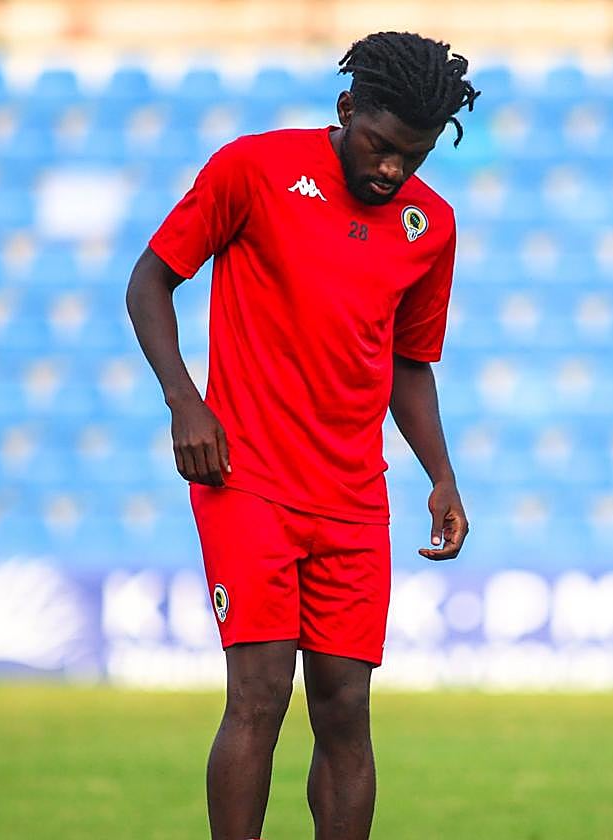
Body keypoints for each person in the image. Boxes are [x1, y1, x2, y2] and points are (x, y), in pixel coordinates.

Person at [125, 31, 477, 840]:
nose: (393, 169)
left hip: (354, 496)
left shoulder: (431, 226)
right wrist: (185, 401)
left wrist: (441, 474)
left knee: (346, 709)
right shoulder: (253, 168)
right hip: (246, 479)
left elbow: (409, 362)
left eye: (414, 156)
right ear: (347, 108)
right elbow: (150, 280)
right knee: (259, 694)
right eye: (381, 145)